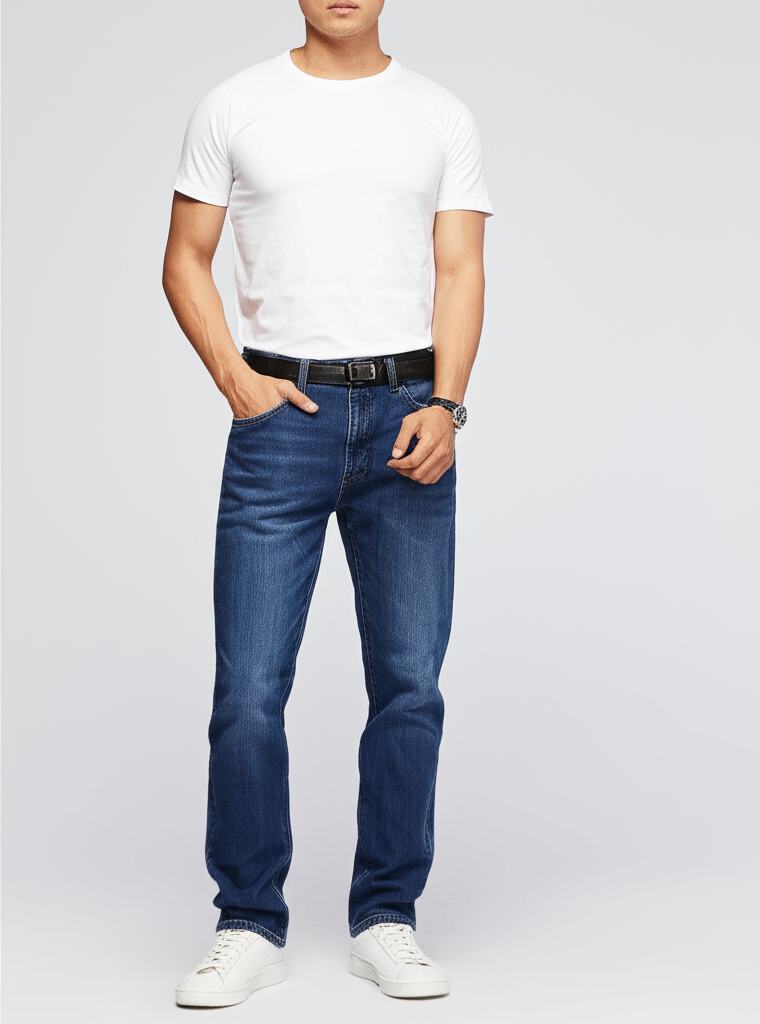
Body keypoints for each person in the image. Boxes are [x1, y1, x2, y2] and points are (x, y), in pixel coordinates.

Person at [163, 0, 492, 1007]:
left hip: (408, 416)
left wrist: (447, 405)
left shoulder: (439, 114)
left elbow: (460, 268)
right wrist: (235, 378)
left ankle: (386, 917)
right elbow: (184, 256)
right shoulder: (235, 104)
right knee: (248, 688)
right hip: (283, 419)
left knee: (409, 684)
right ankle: (247, 921)